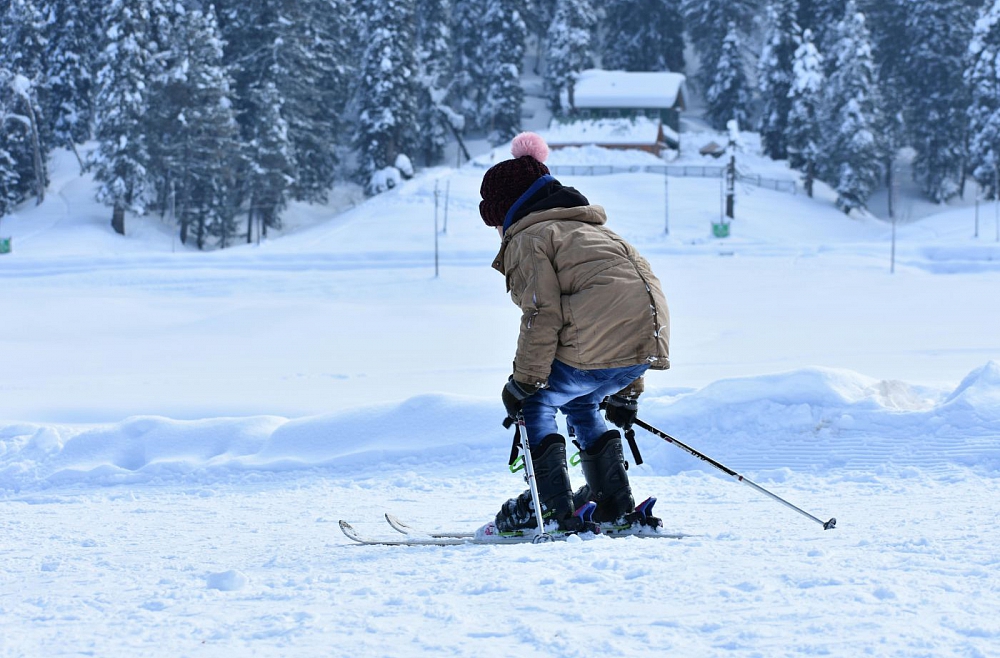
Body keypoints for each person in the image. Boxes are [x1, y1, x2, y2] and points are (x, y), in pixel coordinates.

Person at [479, 132, 671, 534]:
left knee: (535, 405)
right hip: (641, 349)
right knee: (582, 404)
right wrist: (627, 390)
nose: (497, 230)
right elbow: (629, 312)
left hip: (597, 351)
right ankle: (613, 505)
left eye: (495, 220)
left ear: (507, 210)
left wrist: (524, 382)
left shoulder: (531, 237)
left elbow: (540, 314)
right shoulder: (601, 233)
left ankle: (550, 510)